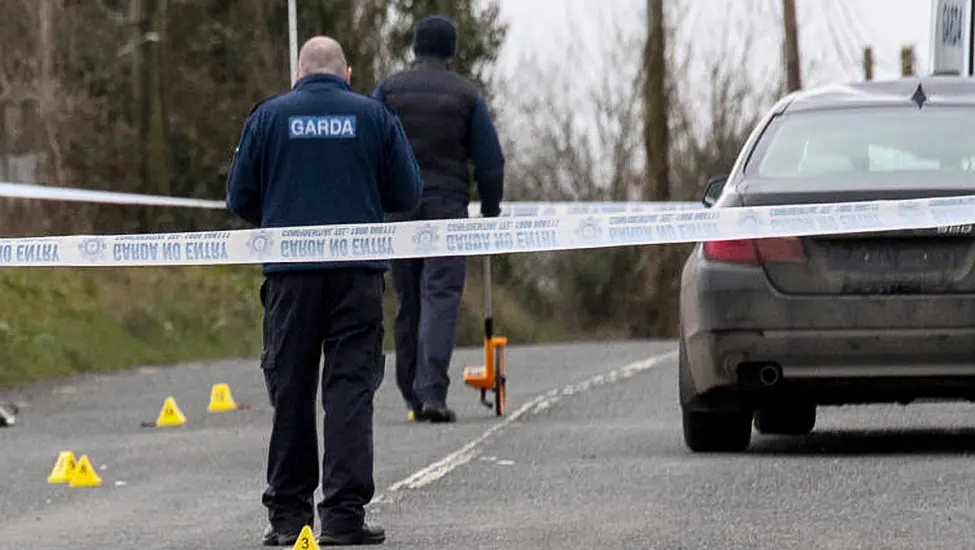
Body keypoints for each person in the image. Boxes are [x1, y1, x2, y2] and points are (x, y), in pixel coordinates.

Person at [226, 36, 422, 547]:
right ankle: (342, 517)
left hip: (289, 279)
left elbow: (239, 196)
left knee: (291, 392)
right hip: (357, 277)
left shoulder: (267, 118)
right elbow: (407, 191)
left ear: (297, 74)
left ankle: (289, 520)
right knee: (349, 392)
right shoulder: (374, 117)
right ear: (348, 73)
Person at [372, 14, 505, 424]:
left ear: (415, 48)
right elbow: (490, 161)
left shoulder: (389, 91)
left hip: (399, 207)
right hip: (447, 207)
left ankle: (410, 388)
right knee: (440, 295)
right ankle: (431, 390)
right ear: (451, 49)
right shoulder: (466, 95)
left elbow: (371, 143)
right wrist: (490, 207)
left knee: (408, 296)